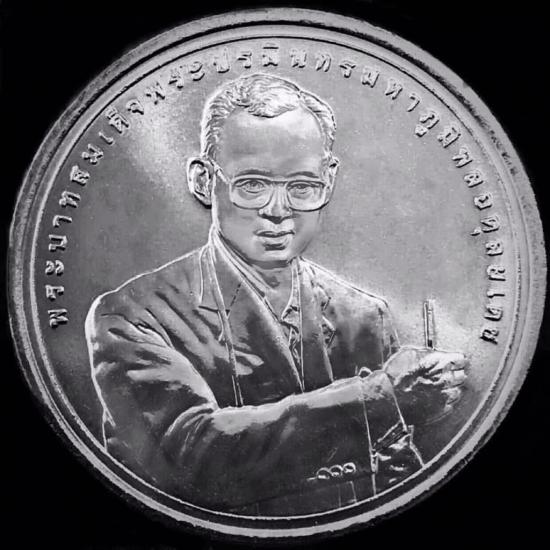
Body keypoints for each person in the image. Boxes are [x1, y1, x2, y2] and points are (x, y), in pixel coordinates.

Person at [85, 73, 468, 516]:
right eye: (253, 185)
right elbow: (193, 460)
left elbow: (393, 478)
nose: (278, 211)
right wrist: (382, 400)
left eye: (302, 187)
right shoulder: (131, 316)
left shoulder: (363, 316)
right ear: (203, 180)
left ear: (329, 180)